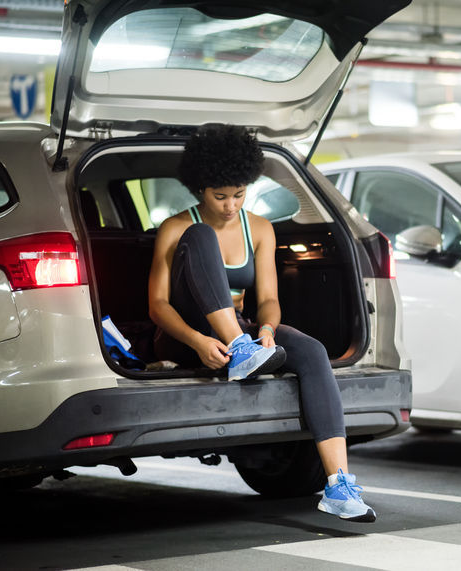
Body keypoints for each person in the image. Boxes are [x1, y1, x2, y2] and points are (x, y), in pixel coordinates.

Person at [147, 124, 376, 522]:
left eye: (239, 194)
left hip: (243, 329)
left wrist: (266, 332)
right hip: (184, 333)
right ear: (200, 188)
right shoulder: (176, 227)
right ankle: (240, 348)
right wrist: (200, 341)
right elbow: (158, 306)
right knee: (201, 235)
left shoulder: (261, 229)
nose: (230, 205)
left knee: (311, 351)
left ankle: (338, 485)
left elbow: (268, 300)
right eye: (220, 196)